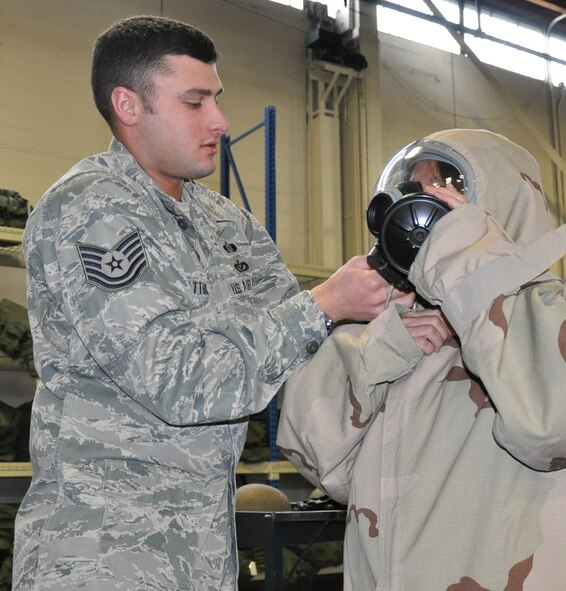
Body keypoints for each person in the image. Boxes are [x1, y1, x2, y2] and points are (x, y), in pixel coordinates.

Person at [11, 14, 429, 591]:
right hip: (104, 552)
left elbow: (302, 331)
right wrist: (324, 303)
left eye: (217, 99)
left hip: (203, 548)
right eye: (194, 102)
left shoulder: (221, 220)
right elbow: (178, 379)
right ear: (128, 106)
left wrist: (399, 288)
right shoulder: (91, 209)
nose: (220, 120)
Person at [277, 128, 566, 590]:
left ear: (502, 208)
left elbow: (555, 423)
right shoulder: (390, 333)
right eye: (418, 195)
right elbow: (315, 458)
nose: (430, 217)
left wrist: (469, 262)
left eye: (448, 194)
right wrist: (381, 348)